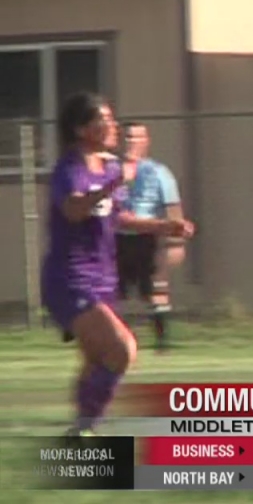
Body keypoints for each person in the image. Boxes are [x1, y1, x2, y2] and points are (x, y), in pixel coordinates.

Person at [42, 92, 194, 436]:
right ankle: (85, 427)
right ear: (82, 129)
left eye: (111, 118)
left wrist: (163, 225)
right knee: (123, 349)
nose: (112, 125)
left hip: (101, 277)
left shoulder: (110, 165)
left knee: (97, 360)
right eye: (104, 119)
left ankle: (80, 431)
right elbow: (74, 210)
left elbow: (118, 216)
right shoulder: (69, 169)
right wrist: (113, 183)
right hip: (70, 278)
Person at [118, 122, 187, 351]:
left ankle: (162, 342)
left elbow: (173, 209)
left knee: (156, 287)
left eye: (138, 138)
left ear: (146, 141)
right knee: (111, 291)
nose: (132, 142)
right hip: (117, 236)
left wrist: (176, 240)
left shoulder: (159, 172)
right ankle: (111, 340)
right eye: (128, 137)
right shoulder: (112, 170)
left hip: (147, 236)